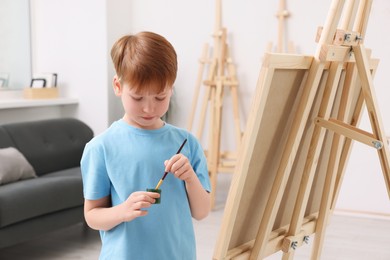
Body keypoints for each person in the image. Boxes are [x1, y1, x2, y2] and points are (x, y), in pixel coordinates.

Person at [80, 31, 211, 260]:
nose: (149, 109)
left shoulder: (186, 143)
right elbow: (92, 216)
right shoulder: (101, 147)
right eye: (138, 98)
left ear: (171, 88)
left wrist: (190, 177)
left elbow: (201, 212)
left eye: (160, 98)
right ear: (118, 86)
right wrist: (123, 211)